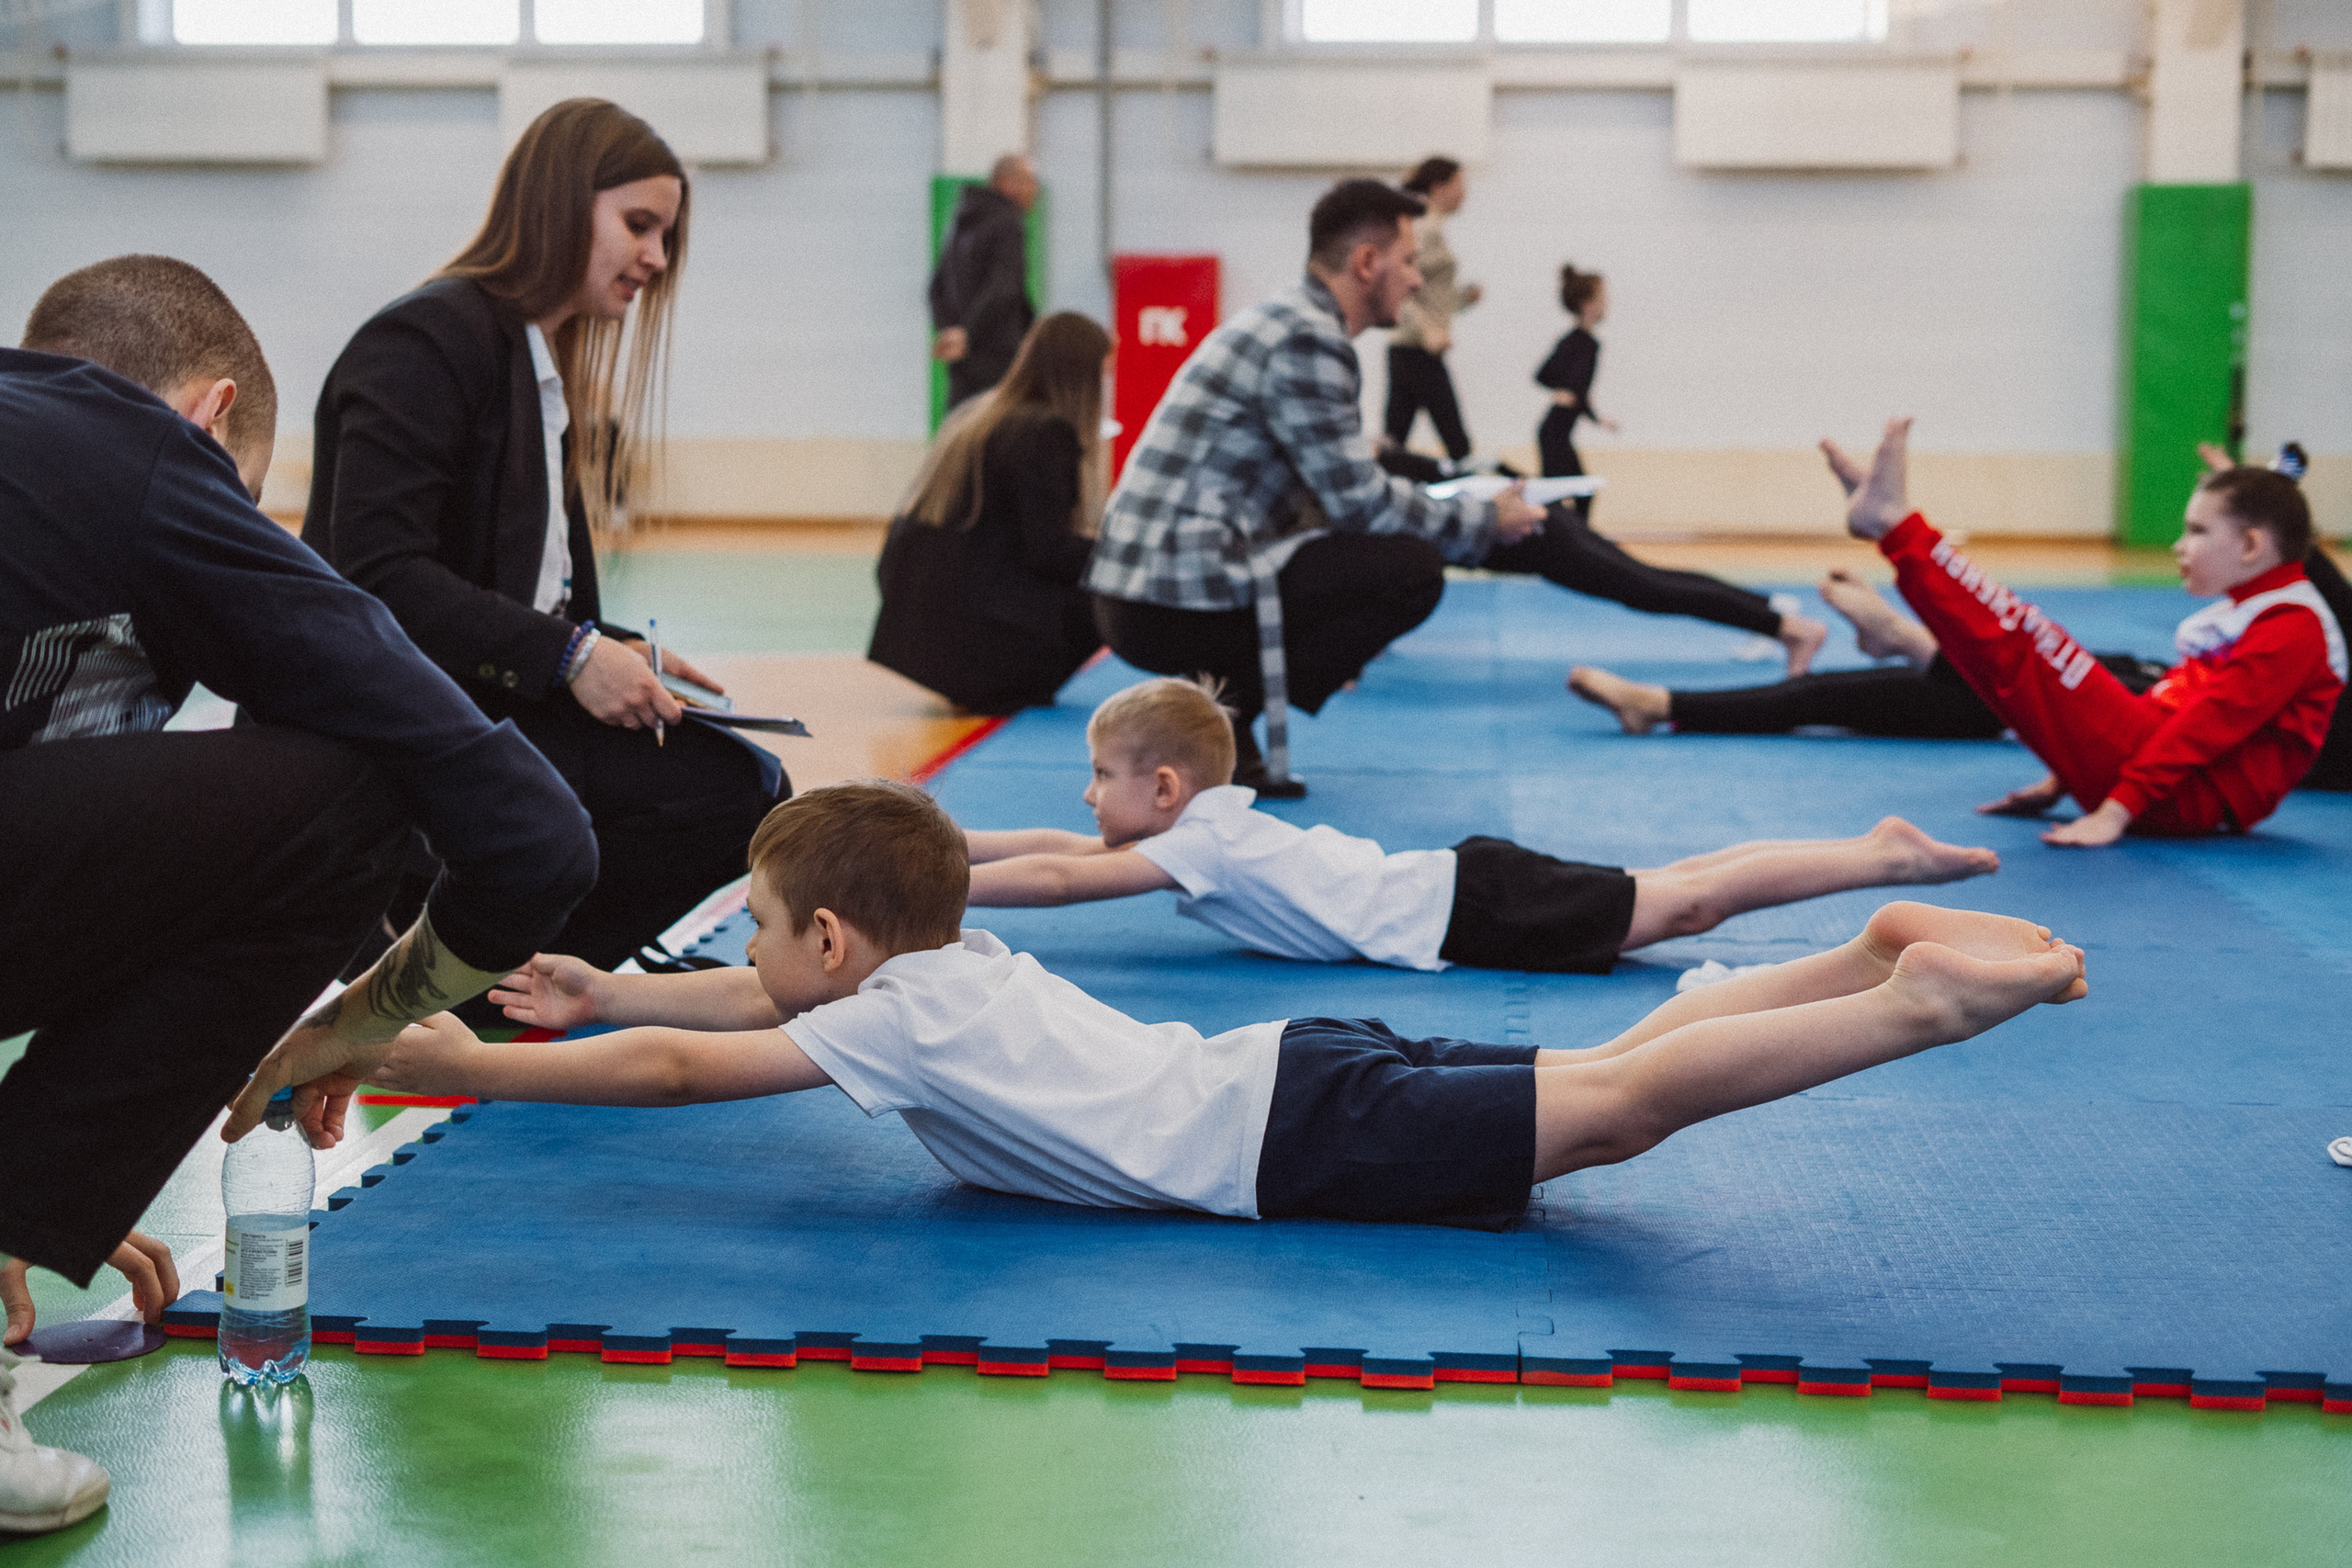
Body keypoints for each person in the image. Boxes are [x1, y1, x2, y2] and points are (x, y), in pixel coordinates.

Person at [351, 782, 2085, 1236]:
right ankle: (1852, 956)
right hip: (1288, 1071)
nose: (763, 968)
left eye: (773, 939)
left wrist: (478, 1060)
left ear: (827, 935)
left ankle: (1908, 1003)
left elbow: (681, 1060)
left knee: (1619, 1115)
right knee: (1608, 1058)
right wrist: (611, 979)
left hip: (1289, 1125)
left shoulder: (880, 1017)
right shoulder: (944, 969)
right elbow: (737, 1004)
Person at [0, 255, 595, 1533]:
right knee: (344, 792)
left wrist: (44, 1168)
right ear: (210, 416)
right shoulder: (154, 459)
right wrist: (365, 1018)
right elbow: (533, 832)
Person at [303, 98, 786, 986]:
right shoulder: (427, 340)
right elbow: (377, 574)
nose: (657, 258)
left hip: (486, 690)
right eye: (639, 225)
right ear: (563, 205)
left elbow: (532, 581)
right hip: (409, 712)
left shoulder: (539, 363)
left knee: (751, 793)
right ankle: (454, 949)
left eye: (666, 235)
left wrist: (612, 648)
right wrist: (569, 655)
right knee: (737, 798)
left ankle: (521, 965)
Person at [959, 678, 1998, 974]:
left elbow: (1058, 882)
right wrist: (947, 844)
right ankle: (1874, 847)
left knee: (1685, 904)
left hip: (1468, 910)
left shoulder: (1199, 843)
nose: (1088, 800)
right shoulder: (1209, 825)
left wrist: (941, 886)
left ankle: (1881, 856)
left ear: (1169, 787)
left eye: (1100, 777)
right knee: (1673, 883)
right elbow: (1061, 852)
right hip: (1461, 885)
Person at [1087, 178, 1548, 797]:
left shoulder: (1286, 320)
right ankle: (1220, 718)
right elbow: (1359, 502)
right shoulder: (1311, 340)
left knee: (1372, 556)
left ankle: (1223, 724)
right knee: (1408, 569)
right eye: (1408, 262)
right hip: (1170, 601)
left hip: (1141, 589)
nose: (1416, 281)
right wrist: (1483, 522)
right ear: (1366, 263)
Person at [1823, 418, 2345, 845]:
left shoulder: (2293, 628)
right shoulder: (2263, 612)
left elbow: (2204, 729)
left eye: (2198, 532)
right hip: (2156, 777)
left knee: (2026, 640)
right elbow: (2181, 707)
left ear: (2251, 547)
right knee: (1997, 671)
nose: (2178, 547)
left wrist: (2116, 811)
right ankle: (1890, 532)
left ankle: (1896, 527)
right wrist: (2065, 776)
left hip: (2179, 802)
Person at [868, 312, 1110, 714]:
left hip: (920, 621)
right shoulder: (1046, 432)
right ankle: (1012, 678)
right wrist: (1119, 554)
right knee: (1111, 587)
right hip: (973, 636)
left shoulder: (979, 413)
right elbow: (1049, 552)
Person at [1383, 156, 1482, 465]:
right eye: (1460, 185)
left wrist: (1463, 299)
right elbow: (1403, 287)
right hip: (1416, 349)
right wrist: (1427, 329)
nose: (1465, 194)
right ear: (1439, 188)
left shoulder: (1431, 228)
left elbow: (1431, 294)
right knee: (1458, 445)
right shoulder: (1424, 230)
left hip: (1411, 348)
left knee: (1393, 442)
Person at [929, 153, 1040, 410]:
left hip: (963, 360)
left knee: (961, 435)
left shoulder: (960, 222)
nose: (1034, 189)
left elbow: (936, 289)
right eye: (1029, 181)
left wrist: (951, 331)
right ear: (1008, 183)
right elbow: (1005, 287)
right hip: (999, 357)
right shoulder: (1009, 222)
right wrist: (969, 333)